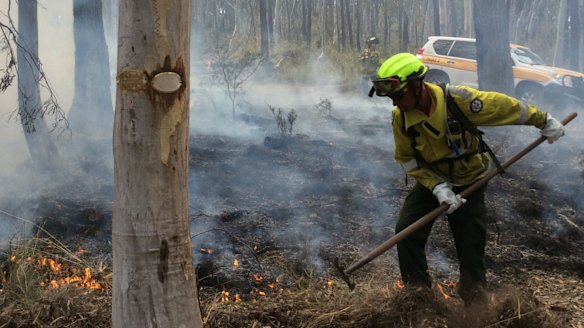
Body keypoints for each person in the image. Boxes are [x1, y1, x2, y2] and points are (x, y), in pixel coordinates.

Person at [369, 53, 565, 305]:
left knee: (470, 245)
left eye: (398, 95)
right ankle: (417, 296)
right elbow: (407, 160)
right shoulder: (401, 118)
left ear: (417, 85)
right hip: (432, 180)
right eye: (391, 98)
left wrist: (543, 119)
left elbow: (503, 107)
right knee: (406, 232)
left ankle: (475, 300)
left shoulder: (458, 100)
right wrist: (437, 186)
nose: (395, 103)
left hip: (470, 179)